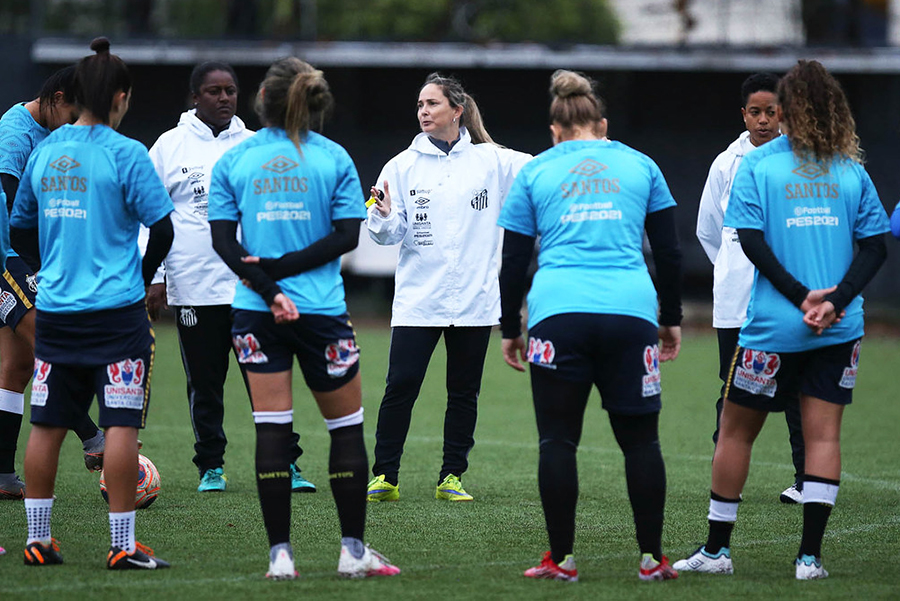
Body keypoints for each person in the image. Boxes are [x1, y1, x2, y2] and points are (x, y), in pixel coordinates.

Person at [674, 60, 889, 580]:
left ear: (789, 109)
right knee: (823, 438)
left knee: (734, 431)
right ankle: (809, 559)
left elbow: (748, 239)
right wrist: (834, 301)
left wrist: (799, 298)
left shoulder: (758, 164)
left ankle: (717, 550)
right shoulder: (850, 168)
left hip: (775, 325)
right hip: (839, 326)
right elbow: (877, 247)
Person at [208, 56, 399, 580]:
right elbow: (345, 237)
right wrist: (286, 275)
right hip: (320, 312)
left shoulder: (235, 159)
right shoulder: (334, 157)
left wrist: (267, 284)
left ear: (261, 100)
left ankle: (281, 558)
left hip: (254, 311)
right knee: (345, 429)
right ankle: (353, 553)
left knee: (272, 428)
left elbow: (223, 242)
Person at [498, 70, 683, 582]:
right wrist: (671, 319)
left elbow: (513, 262)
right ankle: (652, 559)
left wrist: (509, 326)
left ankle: (561, 560)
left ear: (555, 129)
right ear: (601, 124)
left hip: (558, 315)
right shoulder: (641, 164)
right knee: (642, 442)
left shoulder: (536, 171)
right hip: (632, 313)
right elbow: (668, 252)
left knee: (558, 441)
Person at [10, 38, 175, 569]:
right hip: (117, 311)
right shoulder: (127, 153)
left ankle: (39, 540)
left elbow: (20, 227)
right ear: (120, 98)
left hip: (55, 308)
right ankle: (123, 547)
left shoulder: (44, 152)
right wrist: (142, 276)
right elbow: (165, 229)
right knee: (121, 424)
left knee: (46, 424)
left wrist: (49, 272)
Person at [145, 61, 315, 494]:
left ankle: (287, 463)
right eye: (214, 91)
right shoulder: (168, 147)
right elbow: (149, 218)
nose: (224, 98)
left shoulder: (258, 145)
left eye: (231, 90)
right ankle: (211, 467)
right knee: (205, 383)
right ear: (195, 96)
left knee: (268, 378)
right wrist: (157, 276)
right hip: (194, 285)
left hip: (252, 287)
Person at [365, 72, 531, 503]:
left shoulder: (493, 161)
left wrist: (586, 146)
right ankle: (385, 476)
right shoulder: (399, 166)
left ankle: (451, 476)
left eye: (432, 104)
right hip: (419, 300)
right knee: (400, 386)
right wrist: (381, 214)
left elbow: (542, 170)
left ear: (457, 110)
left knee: (463, 393)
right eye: (420, 105)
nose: (423, 111)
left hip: (474, 301)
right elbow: (385, 235)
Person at [696, 73, 806, 504]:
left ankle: (805, 480)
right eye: (755, 112)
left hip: (789, 300)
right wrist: (732, 270)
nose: (763, 121)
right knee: (734, 389)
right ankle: (725, 482)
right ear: (743, 114)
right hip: (737, 302)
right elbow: (709, 231)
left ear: (786, 113)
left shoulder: (803, 162)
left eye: (771, 112)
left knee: (796, 389)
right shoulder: (727, 163)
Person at [0, 67, 108, 500]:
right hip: (5, 257)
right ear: (56, 97)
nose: (74, 125)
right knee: (50, 341)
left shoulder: (59, 136)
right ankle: (92, 438)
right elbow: (8, 204)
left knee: (17, 367)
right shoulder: (15, 131)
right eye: (72, 114)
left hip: (29, 259)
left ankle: (3, 476)